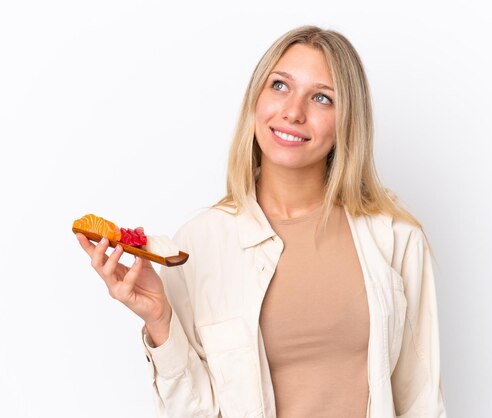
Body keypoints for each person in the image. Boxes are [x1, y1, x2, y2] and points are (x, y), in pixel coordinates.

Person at [77, 25, 447, 418]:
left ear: (347, 122)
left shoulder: (395, 238)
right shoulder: (199, 243)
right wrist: (159, 319)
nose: (293, 111)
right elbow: (194, 411)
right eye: (280, 86)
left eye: (322, 98)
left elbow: (421, 400)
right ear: (256, 98)